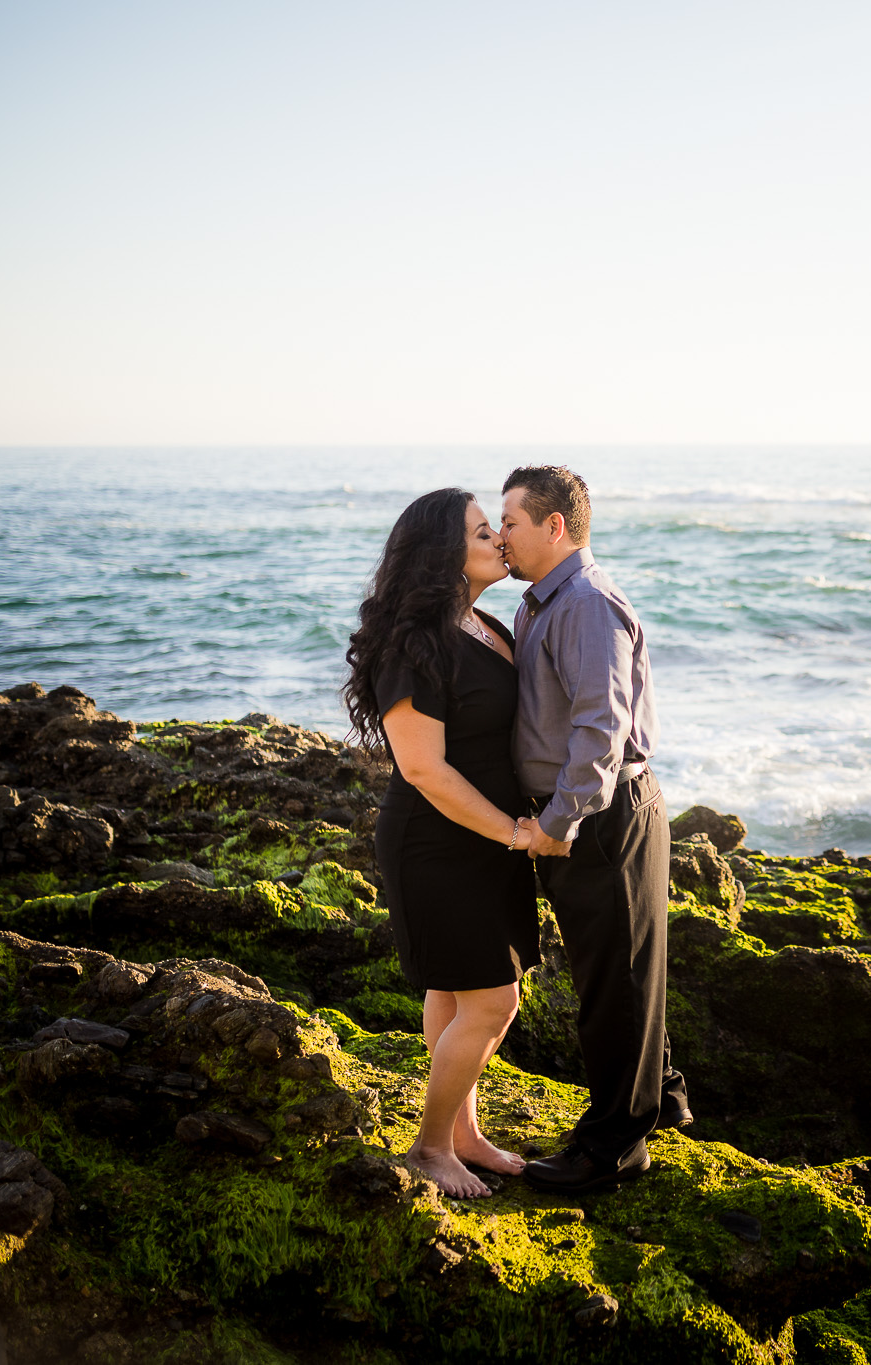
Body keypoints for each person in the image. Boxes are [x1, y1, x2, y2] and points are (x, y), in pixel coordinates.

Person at [341, 488, 542, 1199]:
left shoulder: (487, 623)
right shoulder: (414, 641)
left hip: (484, 834)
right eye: (485, 530)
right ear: (441, 553)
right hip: (437, 839)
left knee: (455, 992)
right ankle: (429, 1146)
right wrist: (513, 830)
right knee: (494, 1000)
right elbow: (422, 767)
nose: (500, 539)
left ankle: (463, 1132)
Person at [497, 464, 689, 1195]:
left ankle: (614, 1144)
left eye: (511, 521)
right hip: (591, 812)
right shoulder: (541, 603)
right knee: (621, 964)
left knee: (613, 975)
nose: (501, 535)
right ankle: (663, 1098)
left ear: (553, 526)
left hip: (600, 815)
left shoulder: (583, 603)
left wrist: (557, 821)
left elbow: (600, 727)